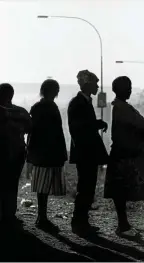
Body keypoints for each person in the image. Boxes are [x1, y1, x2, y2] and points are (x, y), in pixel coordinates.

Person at [104, 76, 144, 236]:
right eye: (127, 87)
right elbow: (143, 123)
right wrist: (143, 123)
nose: (130, 90)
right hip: (124, 155)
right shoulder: (122, 108)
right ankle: (123, 225)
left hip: (122, 154)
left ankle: (123, 224)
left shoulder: (121, 106)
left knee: (121, 190)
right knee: (121, 190)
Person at [68, 69, 108, 236]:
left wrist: (96, 123)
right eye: (95, 83)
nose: (98, 86)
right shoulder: (78, 103)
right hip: (85, 153)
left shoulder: (83, 102)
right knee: (85, 187)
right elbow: (78, 129)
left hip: (86, 152)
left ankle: (82, 221)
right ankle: (79, 222)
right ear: (87, 84)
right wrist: (95, 125)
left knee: (87, 187)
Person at [27, 79, 67, 230]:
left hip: (43, 152)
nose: (57, 93)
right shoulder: (46, 107)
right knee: (43, 187)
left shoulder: (41, 106)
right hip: (45, 152)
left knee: (42, 187)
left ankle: (41, 217)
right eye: (55, 89)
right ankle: (41, 217)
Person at [0, 83, 31, 225]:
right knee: (12, 184)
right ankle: (9, 214)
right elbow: (29, 128)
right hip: (17, 153)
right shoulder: (21, 112)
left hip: (5, 152)